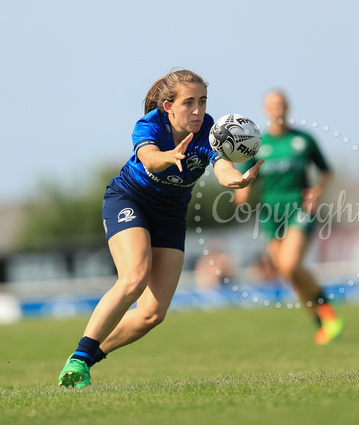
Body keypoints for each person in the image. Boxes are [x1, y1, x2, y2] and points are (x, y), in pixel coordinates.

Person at [58, 69, 263, 388]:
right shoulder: (150, 124)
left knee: (152, 315)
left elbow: (221, 167)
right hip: (129, 199)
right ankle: (79, 359)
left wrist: (234, 180)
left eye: (203, 102)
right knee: (134, 277)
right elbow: (150, 159)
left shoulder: (209, 130)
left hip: (169, 215)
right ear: (168, 106)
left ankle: (85, 358)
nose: (198, 110)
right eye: (189, 102)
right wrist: (169, 155)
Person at [234, 90, 343, 345]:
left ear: (288, 108)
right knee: (287, 272)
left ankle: (328, 313)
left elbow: (325, 172)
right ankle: (321, 324)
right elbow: (244, 184)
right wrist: (240, 192)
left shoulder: (303, 140)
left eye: (281, 104)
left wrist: (316, 191)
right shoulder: (256, 144)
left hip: (298, 209)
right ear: (266, 110)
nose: (277, 109)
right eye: (272, 105)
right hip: (270, 213)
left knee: (291, 264)